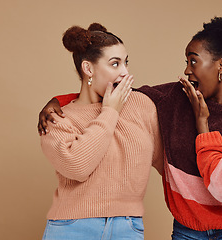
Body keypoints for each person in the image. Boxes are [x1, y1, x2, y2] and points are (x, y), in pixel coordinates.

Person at [39, 13, 222, 240]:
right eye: (186, 61)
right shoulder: (174, 97)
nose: (187, 70)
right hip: (186, 230)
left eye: (193, 61)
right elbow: (105, 98)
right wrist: (59, 101)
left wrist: (203, 124)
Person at [39, 22, 164, 240]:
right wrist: (109, 112)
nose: (125, 72)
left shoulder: (142, 105)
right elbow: (77, 166)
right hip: (71, 228)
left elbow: (166, 163)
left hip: (128, 227)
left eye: (126, 62)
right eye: (115, 64)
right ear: (88, 68)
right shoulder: (56, 118)